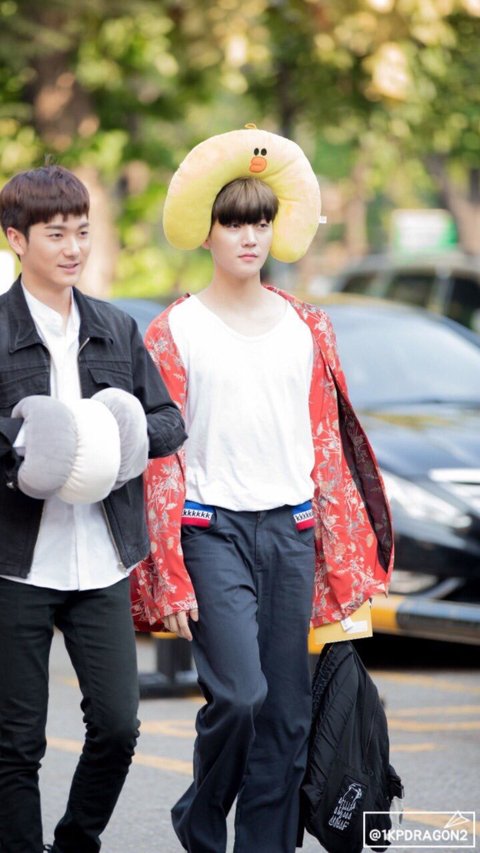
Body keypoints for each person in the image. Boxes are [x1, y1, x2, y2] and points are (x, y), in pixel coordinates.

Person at [134, 126, 394, 853]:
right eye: (233, 222)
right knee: (241, 698)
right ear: (207, 232)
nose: (249, 236)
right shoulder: (174, 330)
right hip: (209, 531)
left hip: (294, 533)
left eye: (260, 222)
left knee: (286, 717)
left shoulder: (309, 327)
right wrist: (170, 571)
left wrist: (344, 560)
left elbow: (327, 450)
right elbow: (161, 460)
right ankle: (200, 818)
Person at [0, 163, 187, 853]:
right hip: (16, 565)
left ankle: (77, 841)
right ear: (16, 239)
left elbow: (169, 420)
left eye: (82, 231)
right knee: (15, 743)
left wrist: (126, 431)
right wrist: (24, 449)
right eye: (56, 234)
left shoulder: (114, 326)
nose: (73, 247)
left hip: (101, 559)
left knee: (117, 725)